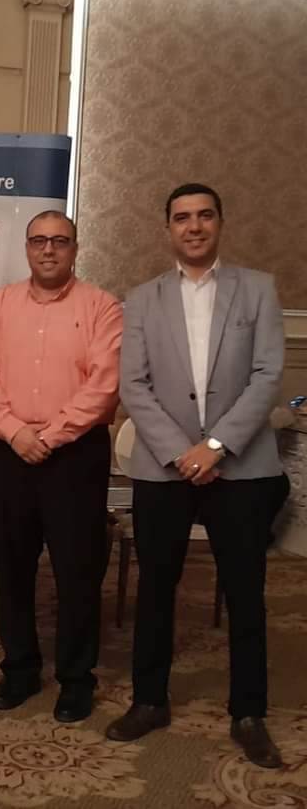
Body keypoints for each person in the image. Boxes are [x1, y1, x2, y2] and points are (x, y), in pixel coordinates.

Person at [107, 184, 286, 769]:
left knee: (246, 593)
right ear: (168, 228)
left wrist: (215, 446)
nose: (194, 226)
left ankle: (248, 712)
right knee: (156, 590)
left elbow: (267, 375)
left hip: (242, 466)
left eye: (205, 215)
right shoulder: (142, 299)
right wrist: (181, 453)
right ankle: (149, 701)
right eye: (182, 217)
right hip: (165, 470)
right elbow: (134, 385)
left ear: (220, 223)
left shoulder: (257, 288)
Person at [0, 210, 122, 723]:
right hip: (10, 453)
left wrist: (49, 437)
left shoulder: (102, 307)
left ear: (75, 248)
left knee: (78, 571)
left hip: (75, 457)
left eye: (60, 241)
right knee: (12, 568)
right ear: (27, 248)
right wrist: (16, 432)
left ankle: (76, 679)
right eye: (39, 241)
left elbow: (104, 385)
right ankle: (20, 669)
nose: (49, 249)